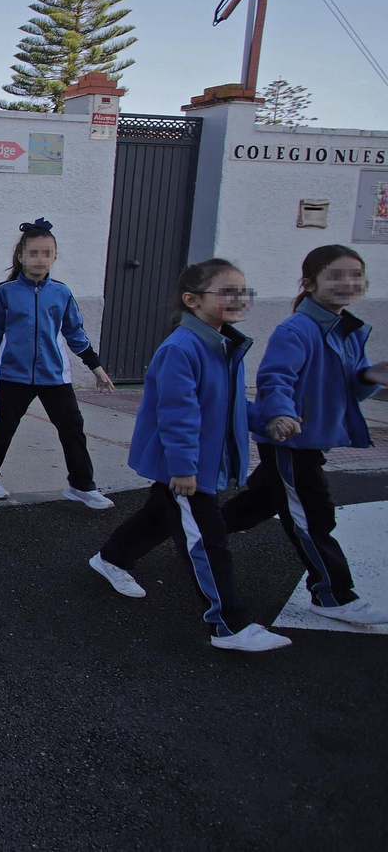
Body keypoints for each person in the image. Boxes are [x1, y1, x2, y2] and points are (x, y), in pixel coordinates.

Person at [90, 260, 293, 652]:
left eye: (242, 290)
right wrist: (182, 468)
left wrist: (265, 421)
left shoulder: (223, 344)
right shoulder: (182, 350)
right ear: (192, 300)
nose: (239, 299)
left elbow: (229, 406)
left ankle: (112, 557)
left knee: (158, 516)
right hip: (187, 467)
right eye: (227, 291)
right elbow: (177, 415)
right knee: (207, 540)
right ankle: (229, 625)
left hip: (196, 464)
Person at [220, 244, 388, 625]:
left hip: (312, 438)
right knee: (313, 516)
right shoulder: (296, 329)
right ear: (310, 283)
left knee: (263, 501)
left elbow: (351, 386)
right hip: (289, 439)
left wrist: (371, 376)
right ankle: (332, 595)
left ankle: (197, 529)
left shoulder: (349, 330)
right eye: (337, 275)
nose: (348, 283)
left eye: (356, 275)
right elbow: (275, 378)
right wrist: (279, 414)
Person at [0, 218, 116, 509]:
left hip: (54, 376)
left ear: (54, 257)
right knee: (3, 426)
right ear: (21, 256)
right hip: (13, 374)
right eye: (34, 253)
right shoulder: (6, 291)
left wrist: (95, 367)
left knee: (73, 427)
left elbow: (75, 333)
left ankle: (81, 485)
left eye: (46, 253)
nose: (40, 259)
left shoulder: (61, 293)